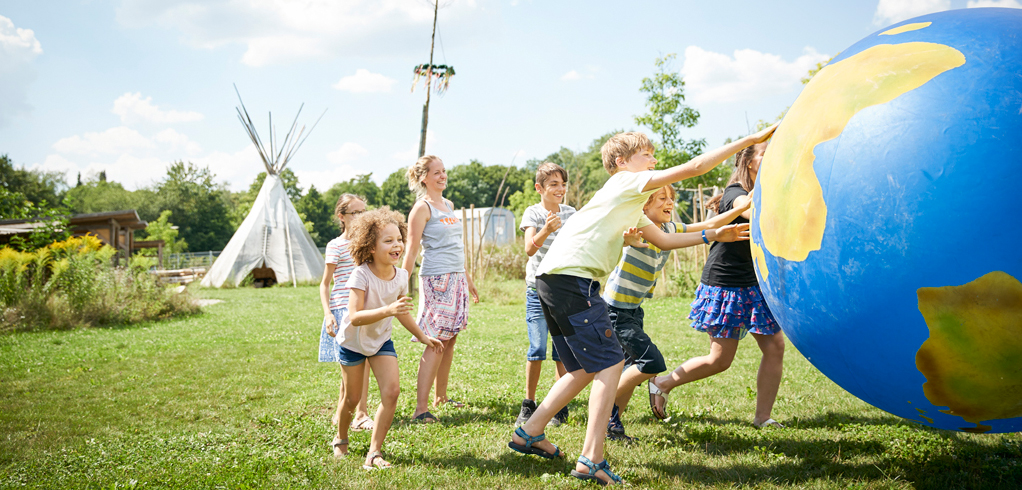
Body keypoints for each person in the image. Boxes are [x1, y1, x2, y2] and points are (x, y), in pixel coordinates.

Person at [508, 126, 776, 486]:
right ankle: (591, 458)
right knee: (612, 362)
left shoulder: (628, 203)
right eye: (646, 155)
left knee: (583, 369)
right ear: (622, 162)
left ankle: (530, 432)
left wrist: (715, 234)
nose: (653, 161)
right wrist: (749, 141)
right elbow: (696, 166)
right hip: (572, 281)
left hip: (553, 280)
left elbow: (664, 240)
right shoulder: (625, 183)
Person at [648, 141, 787, 429]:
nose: (772, 157)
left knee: (775, 346)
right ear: (749, 162)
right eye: (764, 154)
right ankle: (662, 383)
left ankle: (763, 418)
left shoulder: (753, 191)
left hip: (752, 282)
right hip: (726, 284)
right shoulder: (736, 194)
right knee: (720, 359)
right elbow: (749, 212)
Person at [603, 184, 750, 441]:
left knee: (631, 367)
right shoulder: (639, 229)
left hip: (633, 310)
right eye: (662, 198)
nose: (669, 202)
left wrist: (744, 207)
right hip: (615, 310)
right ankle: (602, 406)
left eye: (671, 197)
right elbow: (688, 237)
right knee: (651, 363)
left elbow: (706, 224)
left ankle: (612, 425)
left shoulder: (668, 227)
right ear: (644, 206)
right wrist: (714, 236)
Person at [329, 207, 444, 469]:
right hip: (353, 343)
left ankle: (374, 452)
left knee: (391, 392)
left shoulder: (402, 276)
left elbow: (401, 314)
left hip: (381, 341)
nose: (397, 245)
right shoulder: (360, 274)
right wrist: (387, 310)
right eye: (388, 240)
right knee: (352, 399)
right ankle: (341, 438)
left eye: (399, 240)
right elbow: (355, 316)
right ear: (370, 246)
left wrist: (423, 337)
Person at [402, 155, 480, 424]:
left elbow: (455, 247)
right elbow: (411, 249)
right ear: (424, 177)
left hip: (456, 277)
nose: (442, 176)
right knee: (436, 340)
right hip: (436, 279)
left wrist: (466, 278)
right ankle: (420, 409)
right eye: (437, 172)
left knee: (451, 338)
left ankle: (441, 397)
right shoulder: (421, 209)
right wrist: (402, 283)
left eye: (444, 171)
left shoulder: (447, 204)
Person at [516, 162, 575, 427]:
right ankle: (528, 405)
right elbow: (529, 248)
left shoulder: (571, 213)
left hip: (562, 291)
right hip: (537, 291)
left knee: (561, 351)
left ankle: (559, 407)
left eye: (562, 184)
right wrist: (547, 229)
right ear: (539, 188)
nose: (559, 189)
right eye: (553, 184)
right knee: (537, 348)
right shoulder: (534, 213)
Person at [319, 194, 375, 433]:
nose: (362, 217)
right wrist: (328, 314)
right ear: (342, 217)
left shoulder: (368, 243)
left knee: (358, 366)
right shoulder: (336, 245)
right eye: (356, 213)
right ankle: (359, 415)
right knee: (352, 366)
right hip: (344, 311)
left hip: (365, 309)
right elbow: (324, 284)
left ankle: (344, 412)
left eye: (364, 211)